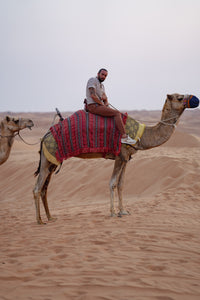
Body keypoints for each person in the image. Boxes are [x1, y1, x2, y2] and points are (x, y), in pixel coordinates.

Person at [85, 68, 136, 145]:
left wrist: (106, 103)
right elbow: (93, 95)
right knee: (116, 113)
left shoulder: (102, 86)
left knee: (119, 114)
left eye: (105, 76)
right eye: (102, 74)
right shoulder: (92, 80)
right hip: (93, 106)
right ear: (98, 74)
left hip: (99, 105)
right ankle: (124, 137)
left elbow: (105, 98)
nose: (103, 77)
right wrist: (102, 104)